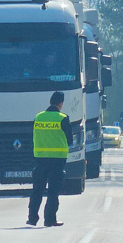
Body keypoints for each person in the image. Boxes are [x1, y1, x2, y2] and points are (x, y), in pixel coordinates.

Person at [28, 91, 73, 227]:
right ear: (61, 103)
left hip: (40, 159)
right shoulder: (63, 118)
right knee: (53, 191)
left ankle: (32, 218)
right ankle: (50, 219)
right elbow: (70, 140)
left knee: (37, 190)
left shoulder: (38, 117)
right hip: (57, 160)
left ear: (50, 102)